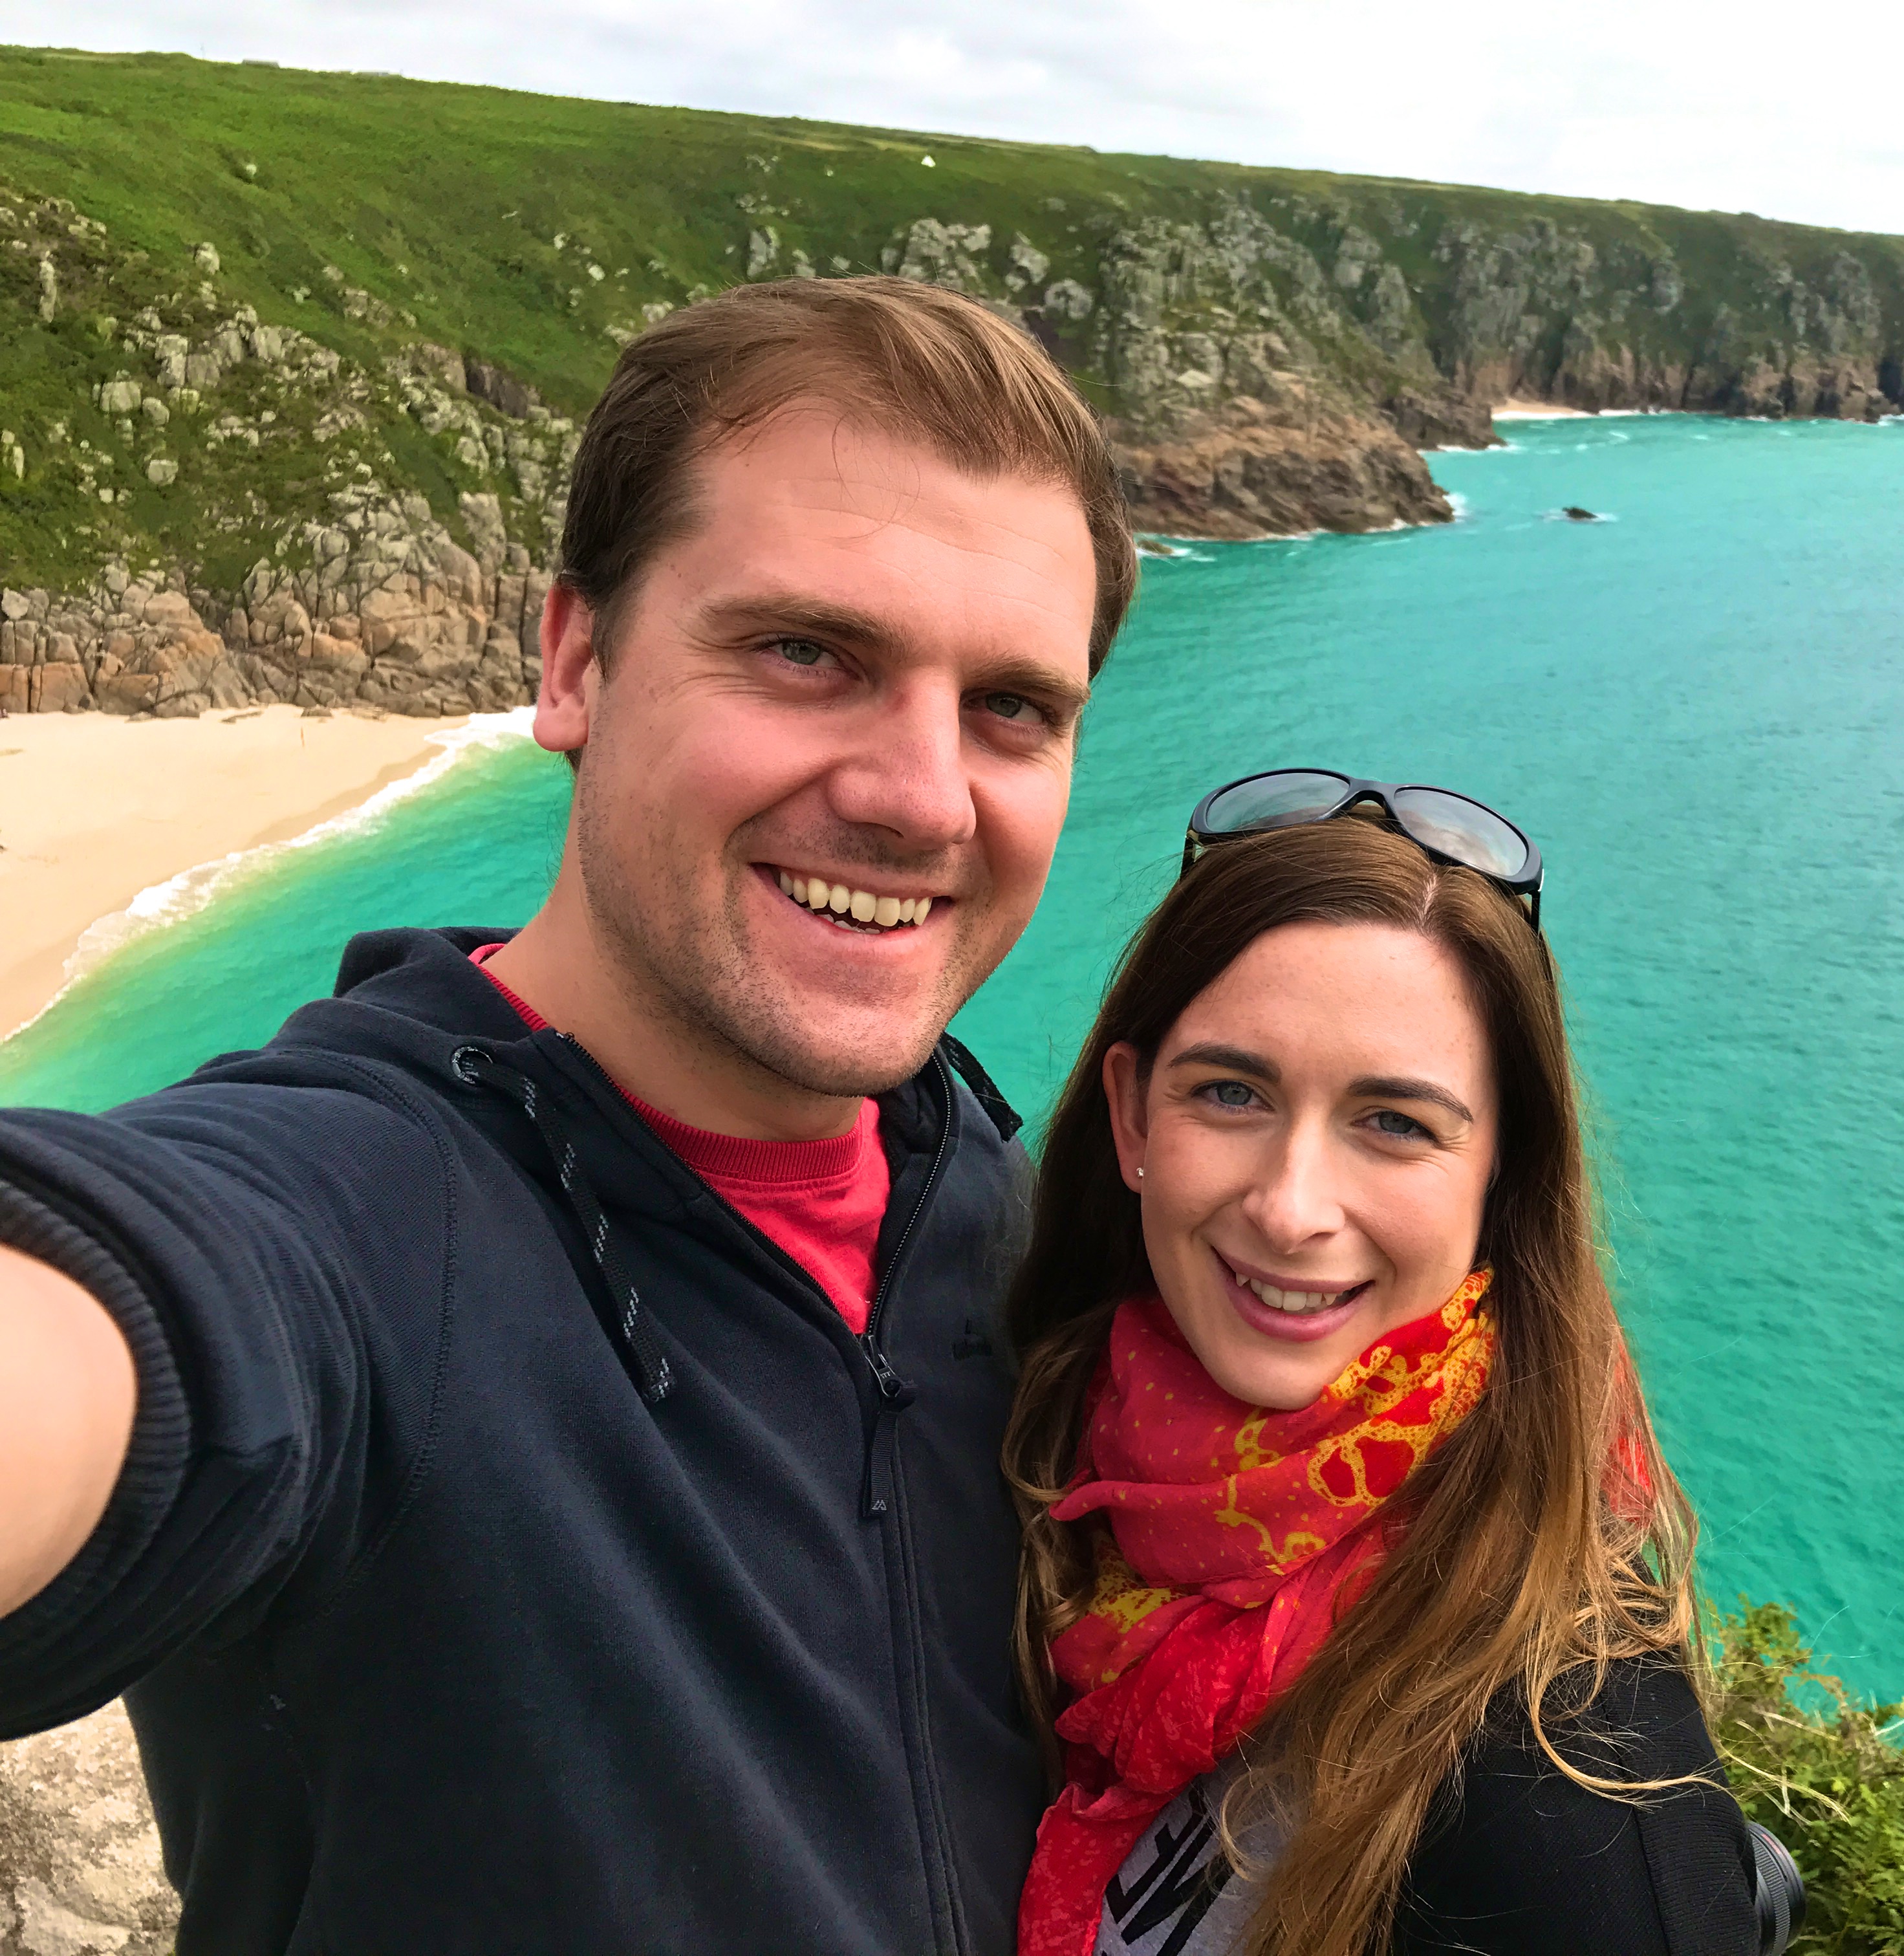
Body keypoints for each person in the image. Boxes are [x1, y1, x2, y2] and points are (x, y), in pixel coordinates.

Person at [0, 277, 1138, 1953]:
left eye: (1011, 709)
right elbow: (128, 1316)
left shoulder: (976, 1182)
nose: (922, 797)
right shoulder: (367, 1215)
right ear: (578, 662)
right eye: (806, 653)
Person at [999, 776, 1771, 1956]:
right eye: (1231, 1092)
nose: (1291, 1207)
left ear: (1501, 1177)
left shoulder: (1570, 1804)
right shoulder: (1038, 1434)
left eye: (1396, 1123)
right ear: (1133, 1117)